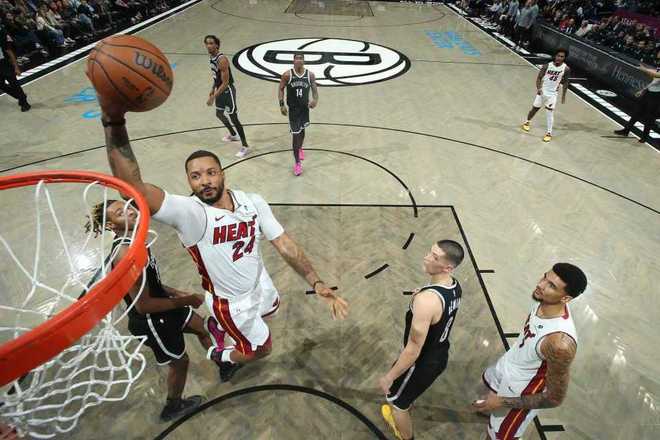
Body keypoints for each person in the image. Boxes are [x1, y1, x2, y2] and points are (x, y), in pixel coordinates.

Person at [92, 84, 349, 382]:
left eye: (210, 173)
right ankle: (220, 353)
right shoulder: (190, 214)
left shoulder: (252, 201)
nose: (204, 181)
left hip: (259, 282)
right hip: (230, 302)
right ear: (189, 182)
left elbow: (283, 243)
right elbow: (133, 189)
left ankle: (228, 329)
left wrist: (316, 281)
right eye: (195, 176)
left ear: (222, 173)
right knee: (261, 349)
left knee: (271, 309)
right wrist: (114, 122)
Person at [84, 199, 216, 421]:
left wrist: (177, 293)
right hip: (152, 321)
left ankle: (224, 363)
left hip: (164, 304)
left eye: (128, 207)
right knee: (180, 362)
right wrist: (187, 300)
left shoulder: (137, 240)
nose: (130, 212)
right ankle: (173, 406)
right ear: (110, 225)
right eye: (120, 213)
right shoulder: (125, 253)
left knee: (202, 327)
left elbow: (152, 281)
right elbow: (144, 305)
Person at [472, 263, 587, 440]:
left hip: (520, 393)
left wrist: (502, 401)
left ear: (566, 298)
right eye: (545, 277)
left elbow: (554, 398)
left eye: (551, 286)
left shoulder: (559, 344)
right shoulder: (545, 302)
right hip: (508, 367)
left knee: (496, 436)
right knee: (484, 400)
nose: (540, 285)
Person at [378, 240, 465, 440]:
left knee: (397, 405)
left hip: (420, 363)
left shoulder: (427, 301)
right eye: (429, 252)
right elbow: (439, 313)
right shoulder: (454, 285)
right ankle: (407, 399)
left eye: (434, 257)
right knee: (407, 396)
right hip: (439, 353)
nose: (426, 258)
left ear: (447, 267)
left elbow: (413, 349)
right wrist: (422, 296)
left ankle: (406, 436)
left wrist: (389, 377)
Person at [204, 35, 250, 158]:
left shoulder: (222, 59)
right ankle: (233, 134)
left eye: (211, 43)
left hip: (227, 91)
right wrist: (212, 89)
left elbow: (225, 83)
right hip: (219, 90)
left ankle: (245, 146)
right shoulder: (212, 57)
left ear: (217, 45)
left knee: (234, 118)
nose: (208, 46)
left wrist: (213, 97)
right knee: (219, 114)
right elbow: (216, 77)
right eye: (207, 43)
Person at [278, 53, 319, 176]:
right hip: (294, 110)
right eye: (297, 58)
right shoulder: (287, 75)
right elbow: (281, 89)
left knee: (302, 130)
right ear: (293, 61)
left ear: (304, 61)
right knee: (295, 135)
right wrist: (281, 104)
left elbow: (314, 89)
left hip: (304, 109)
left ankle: (300, 148)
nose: (299, 60)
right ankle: (297, 163)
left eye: (301, 58)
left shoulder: (310, 75)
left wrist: (315, 100)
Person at [521, 48, 570, 142]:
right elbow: (539, 78)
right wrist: (539, 88)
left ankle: (549, 133)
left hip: (553, 94)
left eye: (562, 56)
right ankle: (527, 122)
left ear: (564, 58)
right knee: (535, 109)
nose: (559, 58)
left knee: (549, 113)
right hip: (542, 92)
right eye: (558, 56)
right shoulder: (547, 66)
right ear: (555, 56)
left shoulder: (566, 69)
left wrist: (563, 95)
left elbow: (566, 82)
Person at [613, 63, 660, 144]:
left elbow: (657, 75)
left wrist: (644, 69)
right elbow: (654, 76)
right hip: (649, 93)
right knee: (637, 112)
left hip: (656, 96)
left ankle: (644, 137)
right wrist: (643, 90)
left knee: (649, 117)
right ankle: (626, 130)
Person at [0, 22, 30, 111]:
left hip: (4, 62)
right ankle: (21, 96)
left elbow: (9, 51)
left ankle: (24, 103)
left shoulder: (2, 32)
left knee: (14, 83)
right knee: (1, 84)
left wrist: (16, 67)